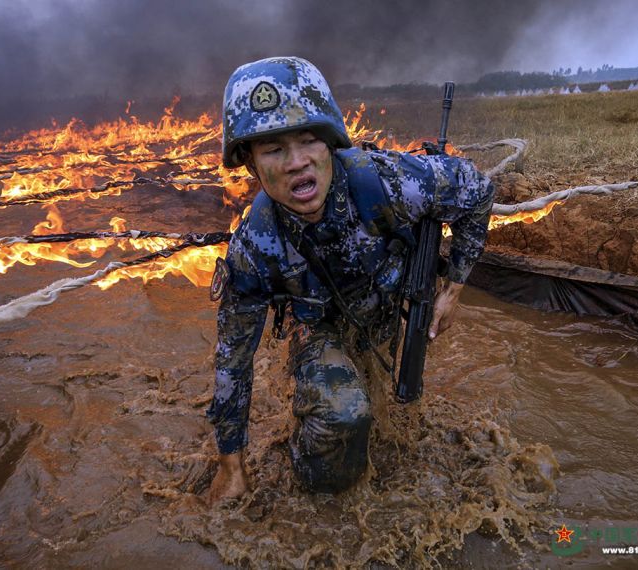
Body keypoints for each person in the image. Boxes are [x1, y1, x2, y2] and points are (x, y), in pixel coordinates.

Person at [206, 57, 494, 503]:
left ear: (329, 143)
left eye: (308, 141)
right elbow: (233, 361)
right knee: (343, 417)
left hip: (385, 308)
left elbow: (476, 190)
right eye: (273, 150)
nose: (297, 163)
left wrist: (453, 288)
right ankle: (318, 492)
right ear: (250, 164)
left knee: (394, 414)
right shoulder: (255, 247)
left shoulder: (390, 183)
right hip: (315, 326)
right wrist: (231, 466)